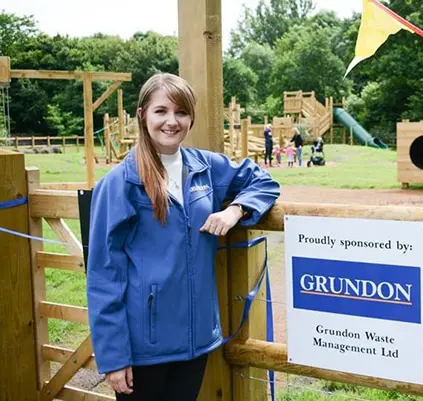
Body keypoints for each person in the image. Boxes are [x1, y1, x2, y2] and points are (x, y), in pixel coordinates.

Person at [86, 72, 280, 401]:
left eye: (181, 112)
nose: (171, 121)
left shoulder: (206, 167)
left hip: (196, 341)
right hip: (143, 350)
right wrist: (114, 357)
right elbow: (104, 275)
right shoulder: (120, 183)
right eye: (161, 111)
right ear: (142, 115)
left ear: (191, 117)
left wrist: (235, 211)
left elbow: (264, 183)